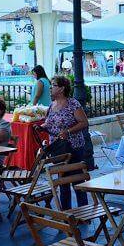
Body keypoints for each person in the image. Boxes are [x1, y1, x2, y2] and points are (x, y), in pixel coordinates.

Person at [41, 76, 89, 210]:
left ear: (61, 88)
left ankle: (84, 211)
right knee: (62, 182)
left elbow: (84, 123)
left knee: (77, 179)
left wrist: (68, 131)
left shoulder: (73, 103)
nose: (50, 88)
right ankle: (66, 213)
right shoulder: (52, 105)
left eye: (53, 85)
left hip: (73, 147)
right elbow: (49, 122)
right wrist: (42, 126)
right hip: (58, 149)